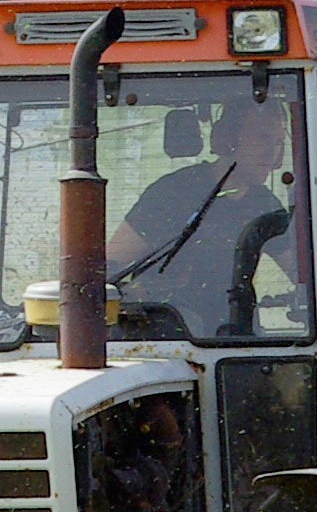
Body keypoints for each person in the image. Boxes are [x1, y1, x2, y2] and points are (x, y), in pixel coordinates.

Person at [106, 93, 301, 337]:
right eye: (262, 139)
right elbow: (111, 266)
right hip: (169, 331)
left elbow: (298, 271)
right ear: (227, 139)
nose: (271, 152)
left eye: (277, 143)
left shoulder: (263, 203)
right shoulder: (173, 193)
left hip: (236, 332)